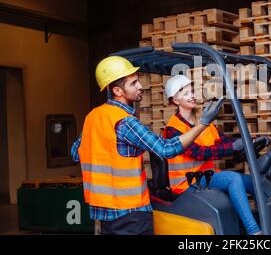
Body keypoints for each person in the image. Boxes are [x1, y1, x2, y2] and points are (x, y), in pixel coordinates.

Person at [70, 56, 224, 235]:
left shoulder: (92, 117)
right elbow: (166, 149)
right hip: (131, 213)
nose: (140, 86)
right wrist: (203, 123)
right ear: (118, 90)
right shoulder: (125, 122)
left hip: (104, 213)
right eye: (134, 83)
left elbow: (76, 153)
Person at [163, 75, 268, 235]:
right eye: (185, 93)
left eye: (191, 91)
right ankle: (255, 232)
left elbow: (221, 141)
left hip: (206, 176)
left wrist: (249, 142)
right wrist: (233, 147)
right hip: (187, 182)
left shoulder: (203, 121)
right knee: (233, 179)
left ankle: (268, 222)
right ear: (175, 100)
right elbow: (199, 153)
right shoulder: (173, 129)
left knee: (255, 181)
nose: (191, 95)